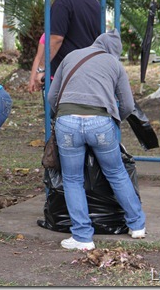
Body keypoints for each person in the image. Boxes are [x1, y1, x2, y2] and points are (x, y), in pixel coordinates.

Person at [47, 29, 146, 251]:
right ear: (114, 51)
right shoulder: (115, 65)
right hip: (100, 123)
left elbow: (52, 96)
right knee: (117, 173)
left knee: (72, 179)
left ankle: (83, 237)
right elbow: (128, 105)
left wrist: (64, 114)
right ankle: (137, 225)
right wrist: (114, 119)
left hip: (67, 123)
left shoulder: (71, 56)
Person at [34, 0, 101, 89]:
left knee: (61, 109)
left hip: (67, 74)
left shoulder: (62, 2)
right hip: (91, 71)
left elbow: (56, 39)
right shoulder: (96, 3)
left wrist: (41, 69)